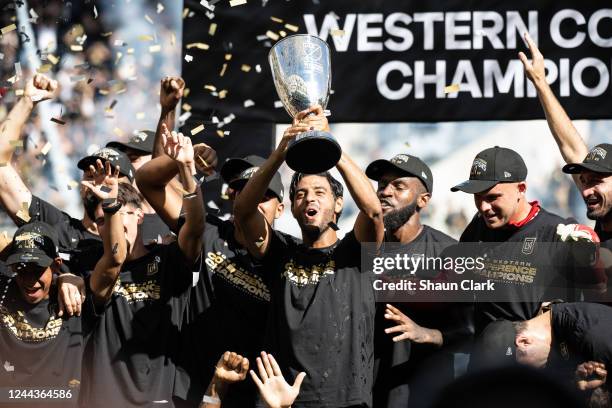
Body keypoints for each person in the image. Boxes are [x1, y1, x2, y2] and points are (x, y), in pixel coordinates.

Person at [233, 105, 384, 407]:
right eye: (300, 194)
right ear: (292, 207)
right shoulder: (280, 252)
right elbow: (243, 211)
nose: (309, 198)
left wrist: (332, 147)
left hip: (346, 400)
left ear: (338, 204)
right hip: (285, 399)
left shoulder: (354, 253)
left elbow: (374, 211)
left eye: (319, 192)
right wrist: (280, 153)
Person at [137, 124, 285, 407]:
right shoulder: (209, 231)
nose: (251, 200)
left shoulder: (288, 254)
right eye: (242, 190)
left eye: (263, 195)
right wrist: (181, 158)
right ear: (232, 198)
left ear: (281, 208)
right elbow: (147, 183)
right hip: (190, 388)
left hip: (254, 395)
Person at [80, 129, 205, 407]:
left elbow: (195, 230)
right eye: (100, 220)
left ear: (139, 215)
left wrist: (186, 172)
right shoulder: (97, 273)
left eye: (120, 212)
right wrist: (111, 205)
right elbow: (114, 259)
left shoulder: (168, 259)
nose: (111, 223)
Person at [451, 146, 602, 334]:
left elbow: (593, 300)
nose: (483, 207)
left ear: (521, 189)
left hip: (534, 357)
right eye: (477, 197)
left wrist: (591, 256)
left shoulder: (557, 233)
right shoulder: (479, 225)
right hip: (482, 357)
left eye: (492, 197)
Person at [365, 154, 471, 407]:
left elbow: (471, 331)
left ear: (423, 200)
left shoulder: (448, 252)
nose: (385, 192)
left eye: (398, 186)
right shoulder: (362, 248)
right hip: (363, 393)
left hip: (422, 393)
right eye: (382, 185)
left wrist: (427, 334)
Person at [519, 32, 612, 269]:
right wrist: (540, 82)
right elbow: (571, 147)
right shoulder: (603, 207)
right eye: (584, 181)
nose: (586, 190)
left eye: (597, 181)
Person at [0, 221, 91, 407]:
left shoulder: (75, 298)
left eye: (38, 270)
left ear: (56, 265)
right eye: (22, 269)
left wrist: (69, 278)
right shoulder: (4, 289)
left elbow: (113, 264)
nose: (30, 280)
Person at [476, 302, 612, 403]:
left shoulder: (593, 337)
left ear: (523, 342)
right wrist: (581, 391)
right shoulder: (558, 331)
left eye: (521, 371)